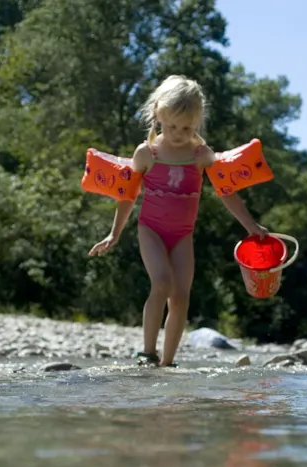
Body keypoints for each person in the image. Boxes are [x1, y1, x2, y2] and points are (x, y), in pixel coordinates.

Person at [88, 75, 269, 367]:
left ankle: (167, 362)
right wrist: (114, 234)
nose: (178, 133)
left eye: (186, 128)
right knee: (161, 283)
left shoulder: (201, 155)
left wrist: (251, 226)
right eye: (171, 126)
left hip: (183, 234)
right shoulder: (148, 153)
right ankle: (147, 353)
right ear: (158, 115)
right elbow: (127, 195)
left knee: (181, 296)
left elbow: (227, 193)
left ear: (197, 122)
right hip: (151, 230)